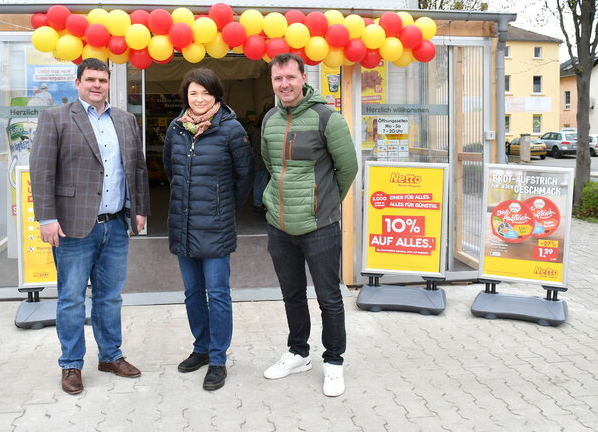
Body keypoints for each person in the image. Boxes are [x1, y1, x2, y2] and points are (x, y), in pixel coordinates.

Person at [30, 58, 150, 395]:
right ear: (78, 82)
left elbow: (137, 169)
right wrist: (47, 218)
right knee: (70, 298)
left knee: (109, 298)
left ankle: (111, 356)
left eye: (102, 80)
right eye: (90, 79)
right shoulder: (56, 117)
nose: (97, 85)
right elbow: (42, 170)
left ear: (108, 83)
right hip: (72, 226)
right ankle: (71, 364)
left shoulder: (125, 120)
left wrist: (139, 209)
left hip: (115, 225)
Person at [260, 53, 358, 397]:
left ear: (303, 78)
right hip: (279, 224)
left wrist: (324, 203)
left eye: (290, 77)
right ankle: (298, 353)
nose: (284, 84)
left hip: (320, 226)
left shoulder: (327, 119)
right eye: (277, 79)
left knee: (329, 298)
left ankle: (333, 361)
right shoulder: (269, 119)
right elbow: (271, 166)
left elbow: (348, 169)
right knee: (292, 295)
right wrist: (277, 202)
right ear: (272, 83)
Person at [163, 68, 253, 391]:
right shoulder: (176, 129)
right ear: (185, 96)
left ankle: (217, 359)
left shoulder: (231, 130)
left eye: (205, 93)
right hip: (184, 224)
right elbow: (170, 171)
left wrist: (221, 207)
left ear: (216, 95)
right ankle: (201, 348)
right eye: (193, 93)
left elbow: (244, 178)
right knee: (191, 293)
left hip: (215, 227)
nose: (199, 99)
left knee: (217, 294)